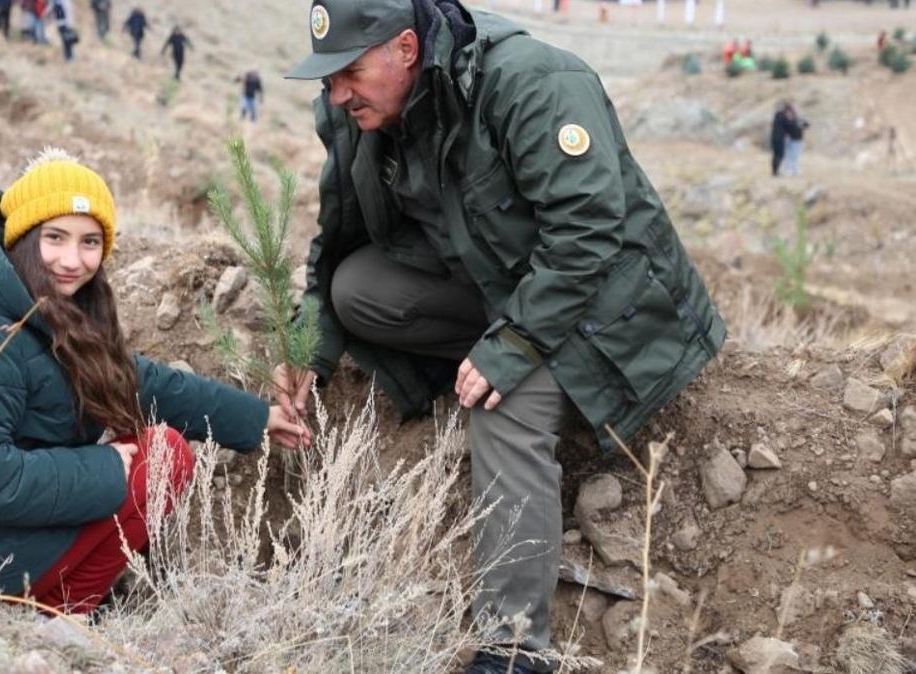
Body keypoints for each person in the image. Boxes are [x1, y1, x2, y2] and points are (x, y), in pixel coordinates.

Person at [280, 1, 724, 672]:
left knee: (500, 410)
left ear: (405, 48)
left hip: (605, 304)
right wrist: (307, 346)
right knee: (354, 290)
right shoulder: (355, 110)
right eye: (327, 78)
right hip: (497, 285)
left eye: (349, 73)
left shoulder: (532, 83)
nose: (337, 93)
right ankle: (465, 363)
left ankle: (513, 646)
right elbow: (337, 235)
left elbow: (588, 235)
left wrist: (512, 344)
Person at [0, 148, 308, 615]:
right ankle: (53, 612)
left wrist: (257, 418)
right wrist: (106, 467)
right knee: (161, 457)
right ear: (22, 237)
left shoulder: (38, 306)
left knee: (157, 445)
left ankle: (49, 611)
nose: (73, 260)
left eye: (90, 242)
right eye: (55, 238)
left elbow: (139, 382)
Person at [782, 105, 810, 177]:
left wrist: (802, 125)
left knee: (795, 156)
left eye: (790, 112)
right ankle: (789, 170)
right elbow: (783, 130)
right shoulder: (785, 120)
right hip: (789, 140)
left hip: (798, 141)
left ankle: (795, 170)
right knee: (788, 156)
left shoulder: (798, 120)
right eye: (788, 112)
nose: (789, 114)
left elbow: (807, 125)